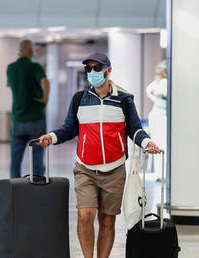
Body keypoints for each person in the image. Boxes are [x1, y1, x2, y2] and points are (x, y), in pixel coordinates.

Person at [36, 52, 161, 258]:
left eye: (97, 68)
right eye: (88, 69)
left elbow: (135, 129)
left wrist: (147, 143)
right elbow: (68, 129)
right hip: (85, 168)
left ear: (108, 70)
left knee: (107, 220)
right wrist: (51, 137)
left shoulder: (124, 99)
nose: (92, 72)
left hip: (115, 169)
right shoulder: (80, 99)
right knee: (85, 215)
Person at [7, 39, 50, 178]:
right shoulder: (35, 66)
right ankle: (37, 191)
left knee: (15, 160)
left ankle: (14, 191)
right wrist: (45, 99)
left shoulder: (11, 68)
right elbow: (45, 81)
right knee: (37, 159)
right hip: (36, 118)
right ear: (31, 51)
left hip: (17, 120)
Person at [146, 60, 167, 181]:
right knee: (162, 145)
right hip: (161, 116)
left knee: (157, 145)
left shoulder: (158, 81)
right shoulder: (165, 82)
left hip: (154, 115)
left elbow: (148, 91)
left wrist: (155, 100)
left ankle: (160, 173)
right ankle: (163, 174)